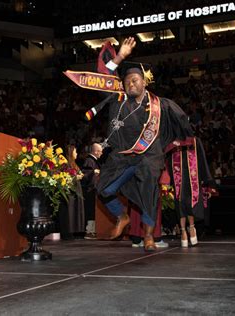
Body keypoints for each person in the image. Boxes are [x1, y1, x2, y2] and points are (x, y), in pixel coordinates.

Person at [96, 37, 193, 251]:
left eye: (135, 80)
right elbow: (104, 77)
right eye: (127, 81)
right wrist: (120, 56)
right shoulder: (117, 100)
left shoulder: (162, 106)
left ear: (144, 82)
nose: (130, 83)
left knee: (149, 189)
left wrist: (176, 141)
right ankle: (122, 217)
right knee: (103, 187)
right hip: (122, 157)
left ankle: (148, 236)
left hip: (149, 156)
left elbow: (183, 124)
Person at [166, 137, 216, 247]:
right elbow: (168, 158)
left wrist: (207, 179)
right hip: (178, 176)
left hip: (192, 176)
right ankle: (183, 231)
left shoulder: (194, 140)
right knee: (180, 203)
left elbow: (202, 158)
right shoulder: (173, 141)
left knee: (190, 202)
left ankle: (192, 228)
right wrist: (167, 178)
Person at [58, 145, 85, 240]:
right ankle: (67, 232)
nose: (76, 154)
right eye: (75, 152)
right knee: (69, 213)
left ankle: (73, 231)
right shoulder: (65, 164)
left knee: (74, 213)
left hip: (75, 192)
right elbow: (64, 178)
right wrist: (75, 177)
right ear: (71, 152)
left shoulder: (74, 164)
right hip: (69, 194)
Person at [81, 143, 103, 239]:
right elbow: (85, 174)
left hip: (93, 189)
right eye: (100, 151)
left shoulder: (93, 161)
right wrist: (94, 172)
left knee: (92, 211)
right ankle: (89, 231)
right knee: (90, 211)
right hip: (89, 190)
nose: (101, 153)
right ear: (96, 151)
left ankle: (92, 230)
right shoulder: (89, 160)